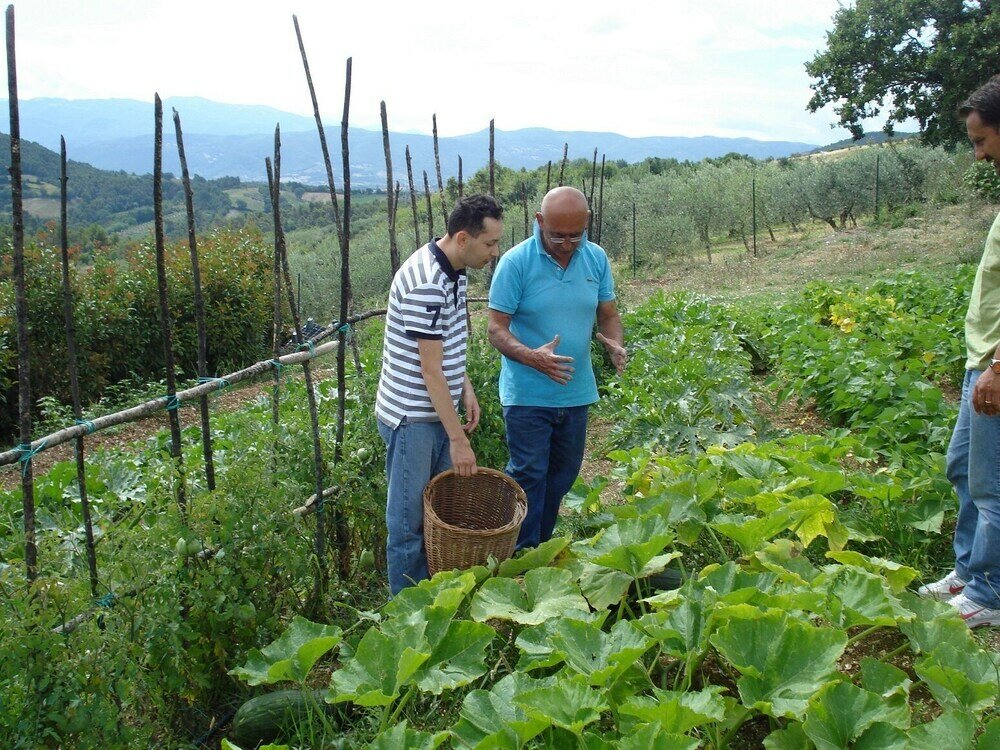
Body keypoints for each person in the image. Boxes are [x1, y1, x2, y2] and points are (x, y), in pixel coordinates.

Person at [375, 194, 504, 595]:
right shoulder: (428, 283)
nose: (495, 253)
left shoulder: (454, 269)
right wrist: (458, 439)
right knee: (408, 524)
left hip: (434, 414)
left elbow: (443, 346)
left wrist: (463, 384)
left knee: (439, 512)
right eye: (490, 243)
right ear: (463, 238)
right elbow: (429, 370)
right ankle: (407, 616)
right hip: (413, 419)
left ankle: (435, 597)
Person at [487, 186, 626, 549]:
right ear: (539, 221)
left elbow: (609, 315)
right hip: (527, 394)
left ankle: (538, 546)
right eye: (557, 235)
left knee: (563, 477)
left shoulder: (595, 258)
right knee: (529, 475)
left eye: (575, 236)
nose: (566, 244)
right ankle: (516, 552)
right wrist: (533, 357)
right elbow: (496, 329)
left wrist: (615, 344)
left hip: (576, 392)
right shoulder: (516, 263)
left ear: (587, 225)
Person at [918, 74, 1000, 628]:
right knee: (964, 471)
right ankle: (970, 572)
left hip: (996, 364)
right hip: (983, 362)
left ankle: (990, 596)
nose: (979, 155)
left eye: (981, 141)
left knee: (993, 484)